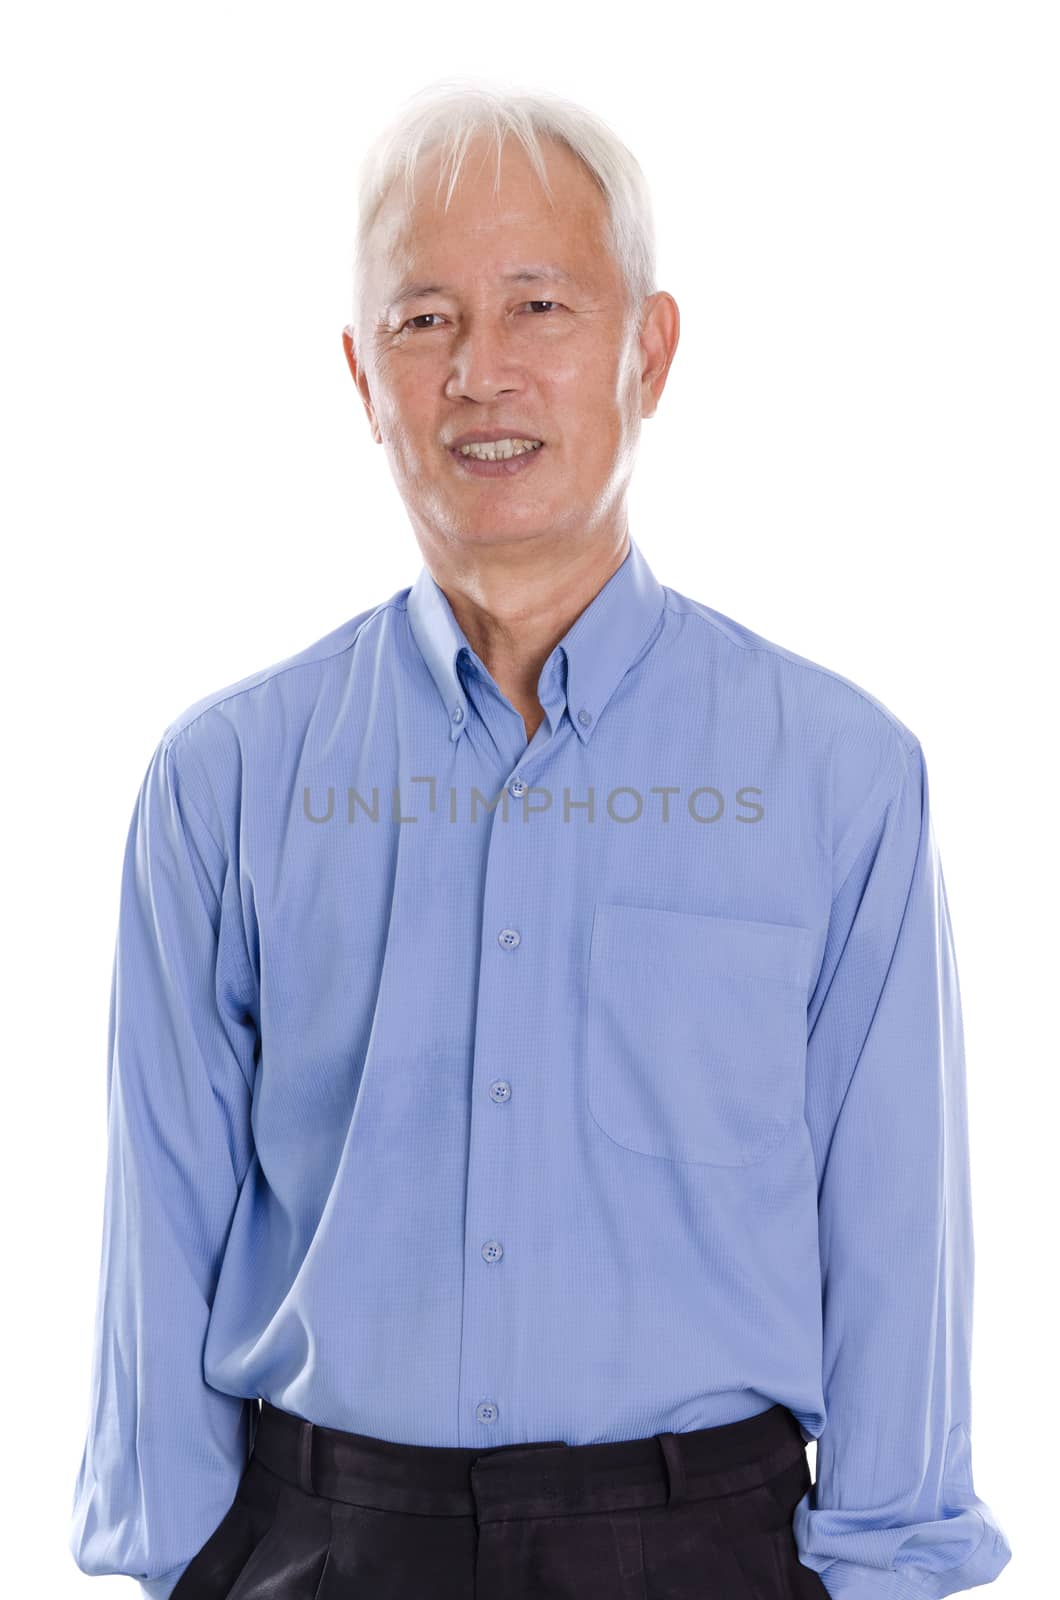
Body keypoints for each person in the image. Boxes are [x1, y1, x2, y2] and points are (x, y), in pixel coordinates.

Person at [68, 78, 1013, 1600]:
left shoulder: (840, 777)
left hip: (707, 1549)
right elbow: (158, 1234)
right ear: (361, 378)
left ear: (649, 348)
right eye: (425, 320)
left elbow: (898, 1253)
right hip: (319, 1546)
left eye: (538, 306)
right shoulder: (222, 781)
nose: (480, 373)